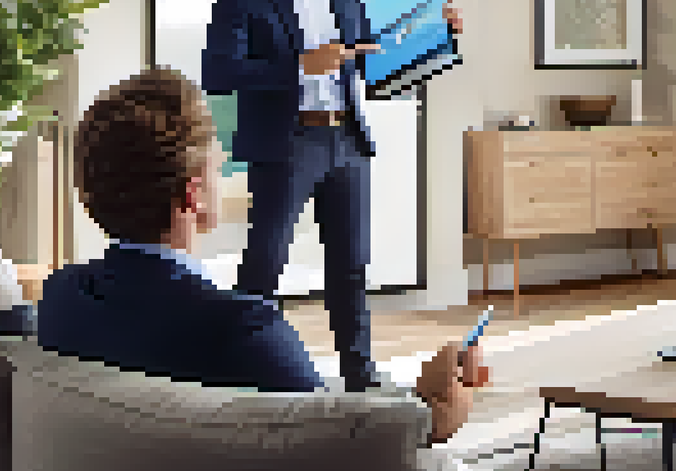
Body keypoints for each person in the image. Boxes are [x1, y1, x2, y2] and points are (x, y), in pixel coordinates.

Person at [38, 67, 488, 444]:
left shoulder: (60, 300)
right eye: (217, 166)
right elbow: (348, 456)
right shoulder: (243, 331)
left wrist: (403, 398)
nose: (222, 171)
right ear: (193, 195)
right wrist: (431, 418)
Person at [201, 0, 462, 390]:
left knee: (350, 267)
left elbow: (377, 63)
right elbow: (219, 73)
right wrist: (300, 66)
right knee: (264, 264)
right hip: (286, 143)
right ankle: (242, 369)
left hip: (346, 140)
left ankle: (359, 373)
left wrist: (440, 33)